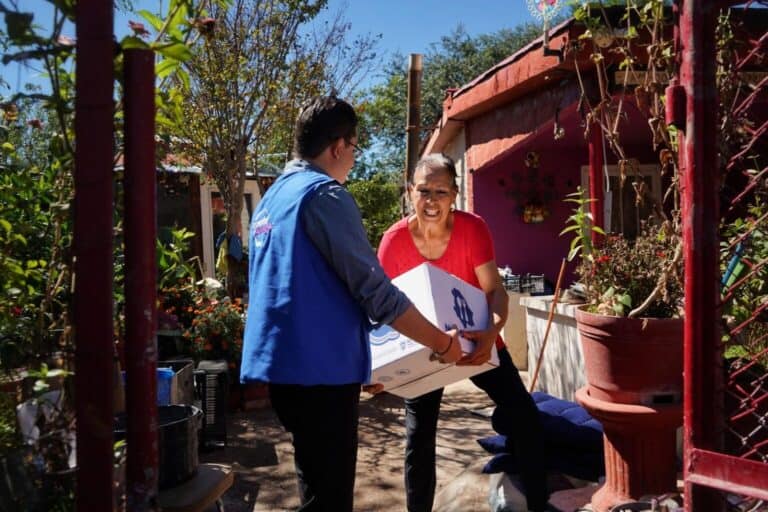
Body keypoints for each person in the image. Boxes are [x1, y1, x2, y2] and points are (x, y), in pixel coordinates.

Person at [240, 96, 462, 512]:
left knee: (314, 487)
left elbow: (302, 288)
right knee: (330, 499)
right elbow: (377, 294)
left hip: (282, 371)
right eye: (355, 147)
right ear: (338, 146)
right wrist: (443, 344)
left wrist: (369, 363)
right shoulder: (324, 195)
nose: (355, 159)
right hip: (320, 375)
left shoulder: (272, 199)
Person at [377, 153, 549, 512]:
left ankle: (537, 503)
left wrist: (492, 329)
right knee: (418, 438)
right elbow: (381, 312)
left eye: (441, 191)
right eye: (424, 190)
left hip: (478, 340)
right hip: (427, 348)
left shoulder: (473, 229)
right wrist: (379, 368)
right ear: (410, 192)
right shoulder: (392, 243)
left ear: (454, 194)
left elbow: (495, 290)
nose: (431, 200)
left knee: (525, 418)